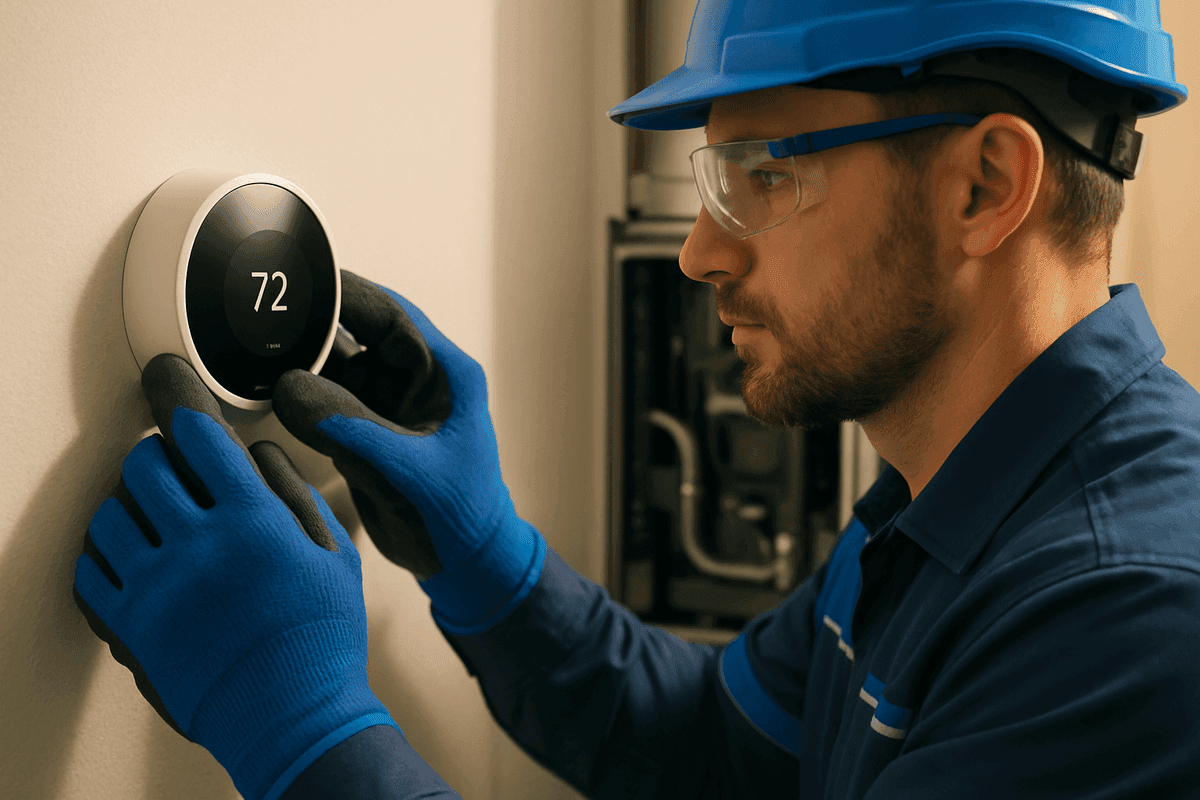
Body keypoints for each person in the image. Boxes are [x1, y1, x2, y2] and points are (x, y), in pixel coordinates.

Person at [74, 1, 1200, 798]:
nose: (700, 251)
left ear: (984, 185)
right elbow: (713, 749)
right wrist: (493, 566)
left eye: (764, 170)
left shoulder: (1133, 620)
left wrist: (307, 730)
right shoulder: (943, 503)